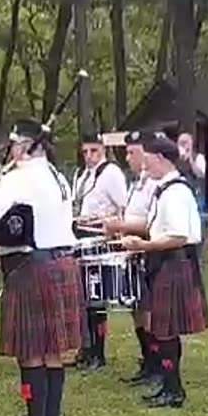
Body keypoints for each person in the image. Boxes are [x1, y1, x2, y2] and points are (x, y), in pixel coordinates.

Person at [0, 119, 83, 416]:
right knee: (54, 352)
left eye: (15, 144)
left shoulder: (18, 179)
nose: (11, 151)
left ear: (27, 146)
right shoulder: (59, 176)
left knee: (32, 351)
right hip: (62, 263)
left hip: (32, 268)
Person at [107, 136, 208, 408]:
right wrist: (125, 229)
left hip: (173, 262)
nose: (145, 165)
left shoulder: (176, 191)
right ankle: (169, 385)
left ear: (161, 158)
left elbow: (177, 235)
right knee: (162, 329)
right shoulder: (164, 189)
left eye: (149, 159)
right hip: (165, 262)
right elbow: (155, 223)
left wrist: (144, 245)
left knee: (165, 330)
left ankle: (173, 390)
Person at [73, 132, 128, 372]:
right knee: (84, 298)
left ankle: (99, 352)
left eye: (93, 151)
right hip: (81, 237)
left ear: (103, 150)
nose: (89, 156)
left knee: (97, 298)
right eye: (85, 152)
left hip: (101, 238)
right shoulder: (82, 175)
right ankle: (86, 349)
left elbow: (122, 207)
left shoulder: (112, 173)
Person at [115, 132, 159, 388]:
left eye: (133, 152)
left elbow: (153, 222)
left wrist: (120, 225)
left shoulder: (155, 183)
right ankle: (148, 360)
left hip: (149, 251)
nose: (128, 157)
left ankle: (157, 363)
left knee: (149, 311)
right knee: (137, 310)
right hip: (134, 252)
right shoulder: (138, 182)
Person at [178, 132, 208, 240]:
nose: (183, 145)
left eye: (185, 142)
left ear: (191, 143)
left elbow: (200, 174)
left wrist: (190, 159)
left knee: (199, 221)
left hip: (196, 194)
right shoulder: (175, 160)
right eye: (181, 142)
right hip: (181, 196)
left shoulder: (198, 157)